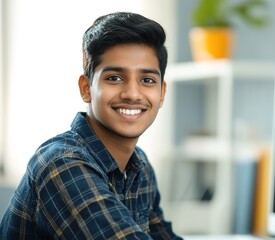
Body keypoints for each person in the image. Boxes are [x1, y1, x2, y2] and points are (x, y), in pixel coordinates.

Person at [0, 12, 182, 239]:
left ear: (162, 93)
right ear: (86, 88)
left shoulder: (139, 165)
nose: (132, 94)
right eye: (114, 78)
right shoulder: (62, 163)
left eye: (147, 80)